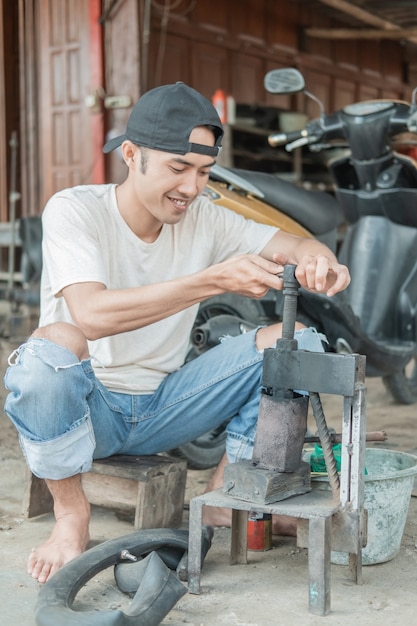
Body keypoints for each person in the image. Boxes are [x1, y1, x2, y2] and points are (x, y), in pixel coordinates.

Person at [4, 81, 350, 584]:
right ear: (131, 154)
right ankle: (70, 517)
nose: (191, 187)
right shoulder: (75, 210)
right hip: (88, 408)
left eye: (204, 172)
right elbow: (92, 315)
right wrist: (210, 281)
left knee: (295, 340)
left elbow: (296, 242)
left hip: (166, 407)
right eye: (177, 167)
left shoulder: (205, 218)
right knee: (52, 349)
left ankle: (224, 496)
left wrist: (320, 260)